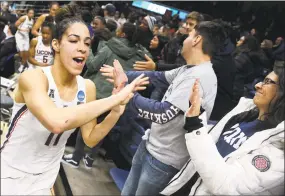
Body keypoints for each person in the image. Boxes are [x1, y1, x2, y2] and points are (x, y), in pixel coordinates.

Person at [0, 5, 148, 195]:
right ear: (56, 44)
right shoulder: (34, 78)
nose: (82, 49)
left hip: (45, 178)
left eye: (87, 43)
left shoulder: (87, 87)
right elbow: (56, 122)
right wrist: (116, 97)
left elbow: (91, 138)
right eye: (73, 40)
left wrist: (117, 108)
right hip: (10, 173)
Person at [101, 21, 226, 195]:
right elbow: (157, 77)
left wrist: (126, 93)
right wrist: (124, 76)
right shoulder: (189, 69)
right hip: (151, 146)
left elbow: (162, 113)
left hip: (163, 161)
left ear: (197, 40)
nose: (184, 39)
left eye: (189, 35)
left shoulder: (199, 76)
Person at [161, 67, 284, 196]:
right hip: (189, 186)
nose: (258, 85)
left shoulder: (278, 147)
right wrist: (197, 111)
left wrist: (195, 127)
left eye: (267, 82)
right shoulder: (246, 113)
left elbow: (226, 186)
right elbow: (214, 142)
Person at [61, 23, 151, 169]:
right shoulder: (140, 54)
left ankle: (76, 158)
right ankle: (90, 158)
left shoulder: (109, 47)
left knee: (86, 125)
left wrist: (88, 51)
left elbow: (91, 66)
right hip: (116, 97)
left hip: (97, 93)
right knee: (103, 127)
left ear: (122, 33)